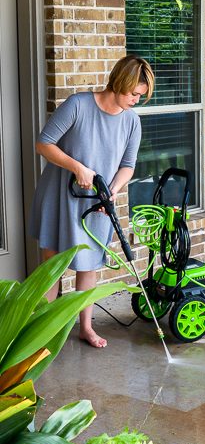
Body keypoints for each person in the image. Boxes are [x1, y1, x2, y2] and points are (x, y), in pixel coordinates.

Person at [30, 55, 155, 348]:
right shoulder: (78, 105)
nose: (137, 100)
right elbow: (43, 143)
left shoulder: (131, 121)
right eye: (134, 93)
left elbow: (128, 164)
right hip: (61, 197)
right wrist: (77, 167)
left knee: (89, 265)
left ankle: (85, 326)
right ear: (120, 82)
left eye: (142, 95)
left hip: (97, 201)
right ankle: (39, 332)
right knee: (53, 267)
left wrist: (112, 190)